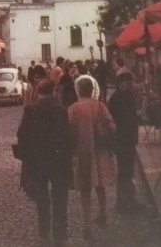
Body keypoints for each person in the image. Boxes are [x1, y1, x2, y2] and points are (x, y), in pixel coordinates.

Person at [17, 79, 73, 246]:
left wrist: (27, 156)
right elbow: (67, 136)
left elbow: (21, 135)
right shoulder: (61, 110)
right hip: (58, 161)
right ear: (52, 91)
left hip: (38, 161)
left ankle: (44, 232)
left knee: (41, 197)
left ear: (38, 92)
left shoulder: (30, 110)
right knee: (60, 198)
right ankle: (60, 234)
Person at [68, 77, 116, 240]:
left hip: (83, 154)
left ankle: (87, 224)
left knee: (85, 189)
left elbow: (69, 131)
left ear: (80, 90)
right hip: (100, 152)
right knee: (100, 186)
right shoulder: (100, 105)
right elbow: (112, 126)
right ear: (91, 90)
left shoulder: (73, 108)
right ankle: (102, 214)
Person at [108, 72, 143, 213]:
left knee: (128, 171)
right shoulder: (116, 99)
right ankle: (123, 203)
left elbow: (133, 116)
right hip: (121, 139)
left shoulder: (129, 97)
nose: (126, 85)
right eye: (124, 82)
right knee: (124, 171)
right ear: (119, 83)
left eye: (128, 82)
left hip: (129, 138)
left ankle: (129, 200)